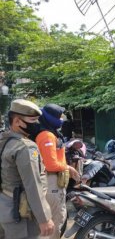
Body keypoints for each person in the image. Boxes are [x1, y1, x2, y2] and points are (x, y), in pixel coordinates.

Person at [0, 99, 54, 239]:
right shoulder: (25, 147)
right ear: (17, 121)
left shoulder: (5, 141)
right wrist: (44, 218)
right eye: (32, 120)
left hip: (5, 207)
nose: (36, 124)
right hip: (21, 215)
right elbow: (33, 185)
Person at [35, 104, 80, 239]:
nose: (61, 119)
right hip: (51, 182)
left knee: (57, 219)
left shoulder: (51, 132)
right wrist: (69, 167)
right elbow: (50, 164)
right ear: (51, 118)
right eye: (59, 116)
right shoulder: (46, 135)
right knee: (54, 221)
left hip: (55, 181)